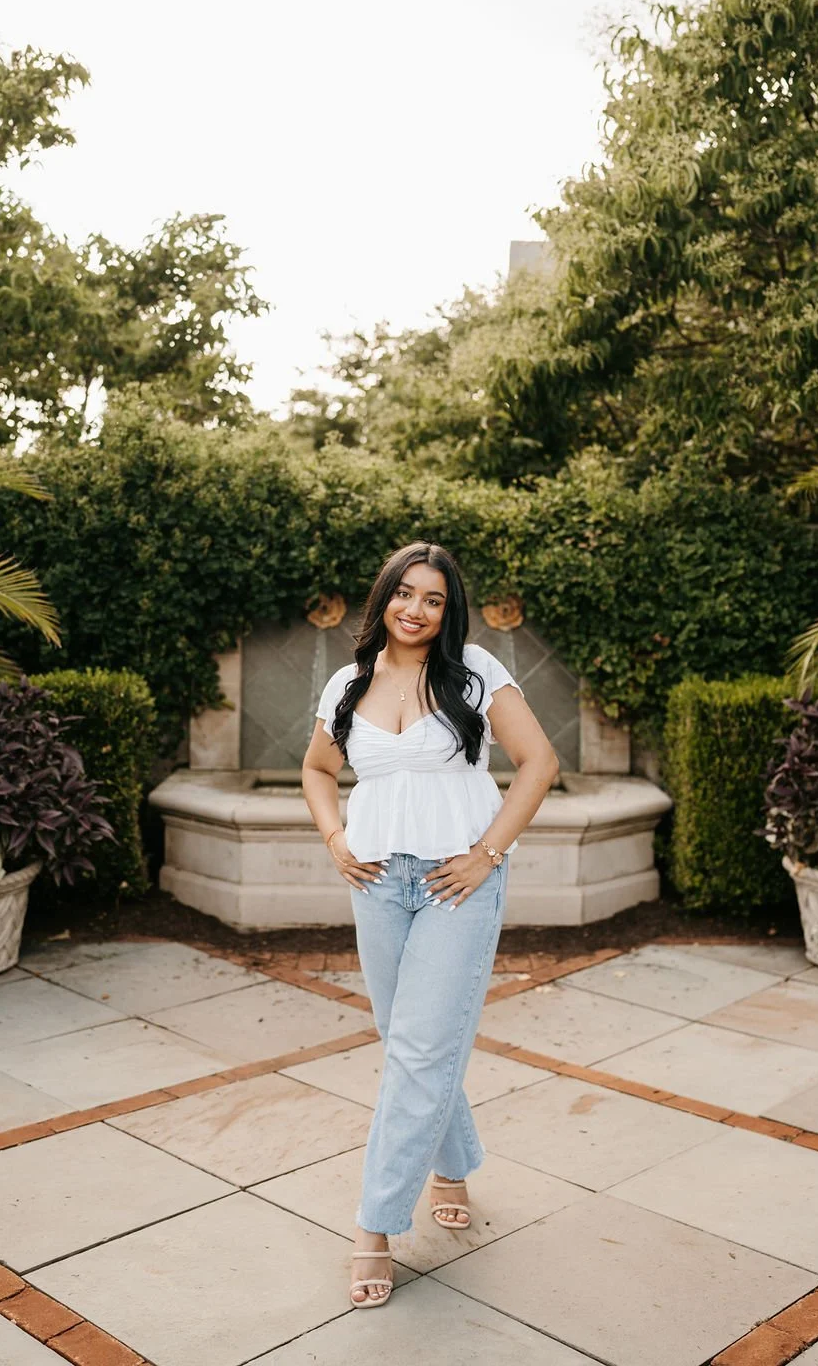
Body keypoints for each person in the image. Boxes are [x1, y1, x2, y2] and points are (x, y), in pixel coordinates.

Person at [301, 540, 559, 1310]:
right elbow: (317, 770)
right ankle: (454, 1163)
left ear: (450, 611)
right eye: (405, 593)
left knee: (417, 1052)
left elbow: (539, 762)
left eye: (434, 599)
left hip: (458, 882)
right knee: (409, 1040)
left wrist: (488, 853)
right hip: (378, 881)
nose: (416, 608)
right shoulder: (347, 684)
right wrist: (336, 838)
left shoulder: (476, 672)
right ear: (383, 598)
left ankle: (375, 1228)